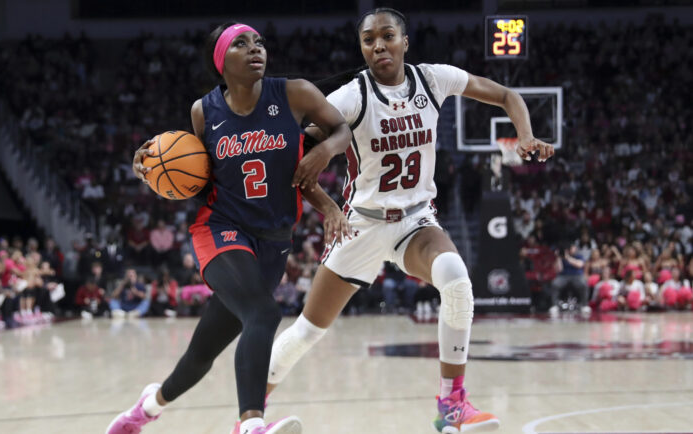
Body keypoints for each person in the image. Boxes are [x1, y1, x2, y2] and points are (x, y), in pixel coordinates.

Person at [263, 8, 554, 433]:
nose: (378, 45)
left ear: (405, 41)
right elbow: (299, 164)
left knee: (455, 278)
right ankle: (250, 414)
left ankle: (451, 406)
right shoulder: (349, 98)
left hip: (415, 221)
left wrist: (524, 135)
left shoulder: (433, 80)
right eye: (368, 40)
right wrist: (327, 208)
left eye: (387, 36)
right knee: (308, 331)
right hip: (360, 225)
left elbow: (507, 95)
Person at [107, 22, 351, 434]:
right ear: (222, 62)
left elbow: (341, 128)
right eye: (241, 43)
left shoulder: (295, 93)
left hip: (273, 241)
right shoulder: (203, 111)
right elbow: (198, 176)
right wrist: (151, 168)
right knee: (263, 313)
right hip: (220, 229)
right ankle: (250, 424)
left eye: (259, 42)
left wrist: (326, 150)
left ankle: (145, 409)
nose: (256, 49)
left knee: (201, 355)